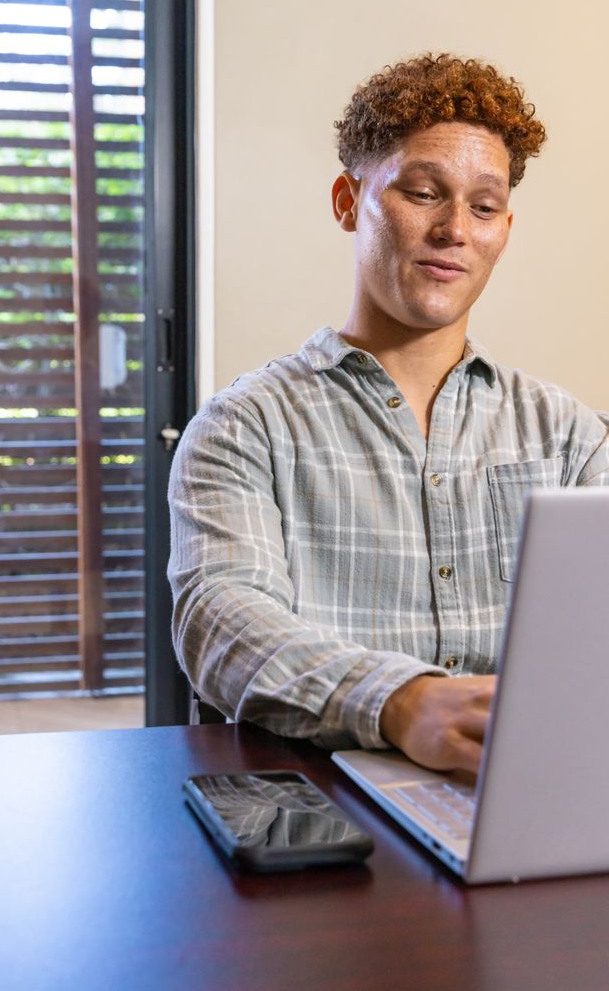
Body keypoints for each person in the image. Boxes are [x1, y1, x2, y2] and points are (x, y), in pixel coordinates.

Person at [168, 53, 609, 775]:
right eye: (424, 193)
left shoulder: (568, 435)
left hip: (527, 791)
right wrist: (399, 701)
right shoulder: (244, 426)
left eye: (485, 207)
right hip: (323, 804)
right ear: (348, 201)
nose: (455, 230)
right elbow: (221, 621)